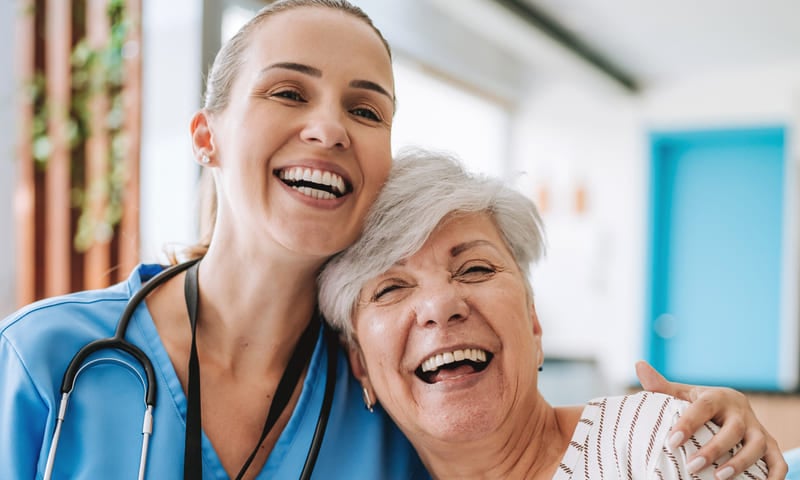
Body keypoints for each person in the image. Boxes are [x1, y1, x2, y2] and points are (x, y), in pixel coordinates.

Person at [0, 1, 786, 478]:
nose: (329, 127)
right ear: (206, 135)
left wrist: (724, 441)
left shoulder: (384, 393)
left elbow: (528, 448)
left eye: (366, 110)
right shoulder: (45, 360)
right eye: (287, 91)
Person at [318, 148, 778, 479]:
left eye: (475, 268)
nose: (441, 306)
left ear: (533, 322)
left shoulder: (658, 442)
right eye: (391, 287)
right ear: (360, 362)